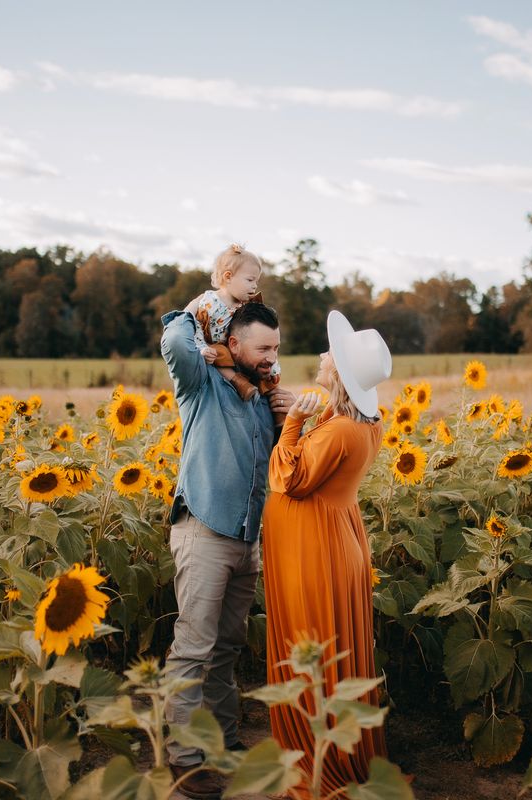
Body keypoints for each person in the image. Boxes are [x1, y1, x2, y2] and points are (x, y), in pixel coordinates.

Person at [160, 299, 296, 800]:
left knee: (226, 648)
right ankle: (186, 761)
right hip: (204, 532)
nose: (270, 357)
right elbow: (175, 344)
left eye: (276, 349)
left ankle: (224, 741)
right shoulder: (203, 385)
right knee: (193, 648)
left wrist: (288, 413)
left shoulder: (262, 395)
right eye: (262, 348)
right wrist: (196, 309)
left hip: (246, 540)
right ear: (232, 344)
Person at [261, 310, 393, 795]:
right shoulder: (359, 422)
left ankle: (320, 762)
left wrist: (293, 422)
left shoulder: (336, 430)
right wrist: (307, 412)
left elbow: (289, 479)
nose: (321, 355)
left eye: (330, 354)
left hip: (314, 552)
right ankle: (338, 751)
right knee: (335, 649)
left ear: (337, 372)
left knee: (311, 648)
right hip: (334, 541)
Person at [184, 244, 283, 416]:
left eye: (256, 281)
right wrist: (202, 349)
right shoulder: (210, 302)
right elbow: (193, 325)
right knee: (221, 355)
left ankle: (274, 400)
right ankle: (239, 383)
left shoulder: (243, 305)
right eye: (250, 280)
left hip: (238, 348)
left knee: (264, 362)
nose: (254, 286)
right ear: (228, 277)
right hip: (216, 347)